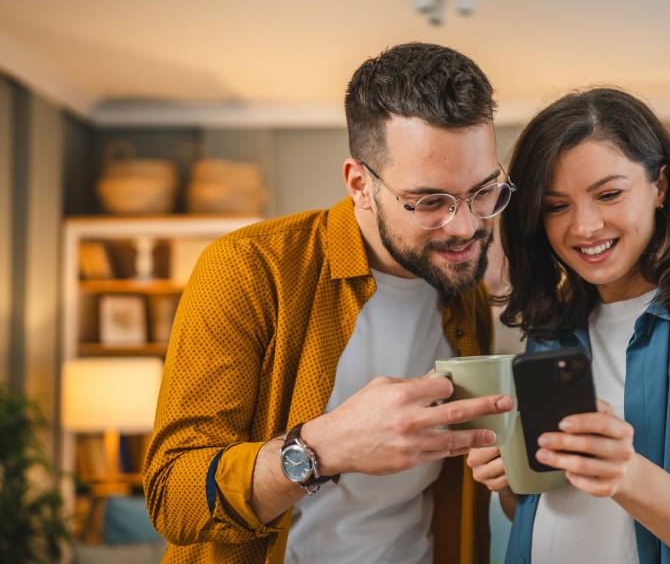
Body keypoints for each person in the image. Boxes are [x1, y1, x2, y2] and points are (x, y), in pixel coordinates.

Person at [144, 42, 517, 564]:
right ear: (360, 184)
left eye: (482, 192)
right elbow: (173, 496)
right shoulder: (249, 268)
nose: (464, 226)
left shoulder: (463, 287)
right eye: (430, 201)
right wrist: (322, 449)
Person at [467, 88, 670, 563]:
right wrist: (509, 477)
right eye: (556, 205)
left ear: (660, 186)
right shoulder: (553, 327)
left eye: (609, 194)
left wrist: (625, 473)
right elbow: (545, 508)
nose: (583, 227)